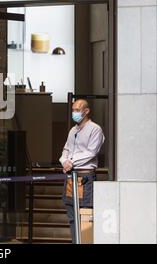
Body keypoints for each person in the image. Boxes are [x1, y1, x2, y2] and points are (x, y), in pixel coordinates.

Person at [59, 99, 104, 244]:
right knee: (72, 217)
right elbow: (66, 149)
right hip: (70, 176)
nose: (75, 113)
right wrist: (64, 161)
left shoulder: (95, 129)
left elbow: (91, 152)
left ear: (86, 111)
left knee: (84, 215)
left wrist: (71, 162)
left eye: (77, 110)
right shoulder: (73, 130)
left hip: (85, 177)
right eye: (73, 109)